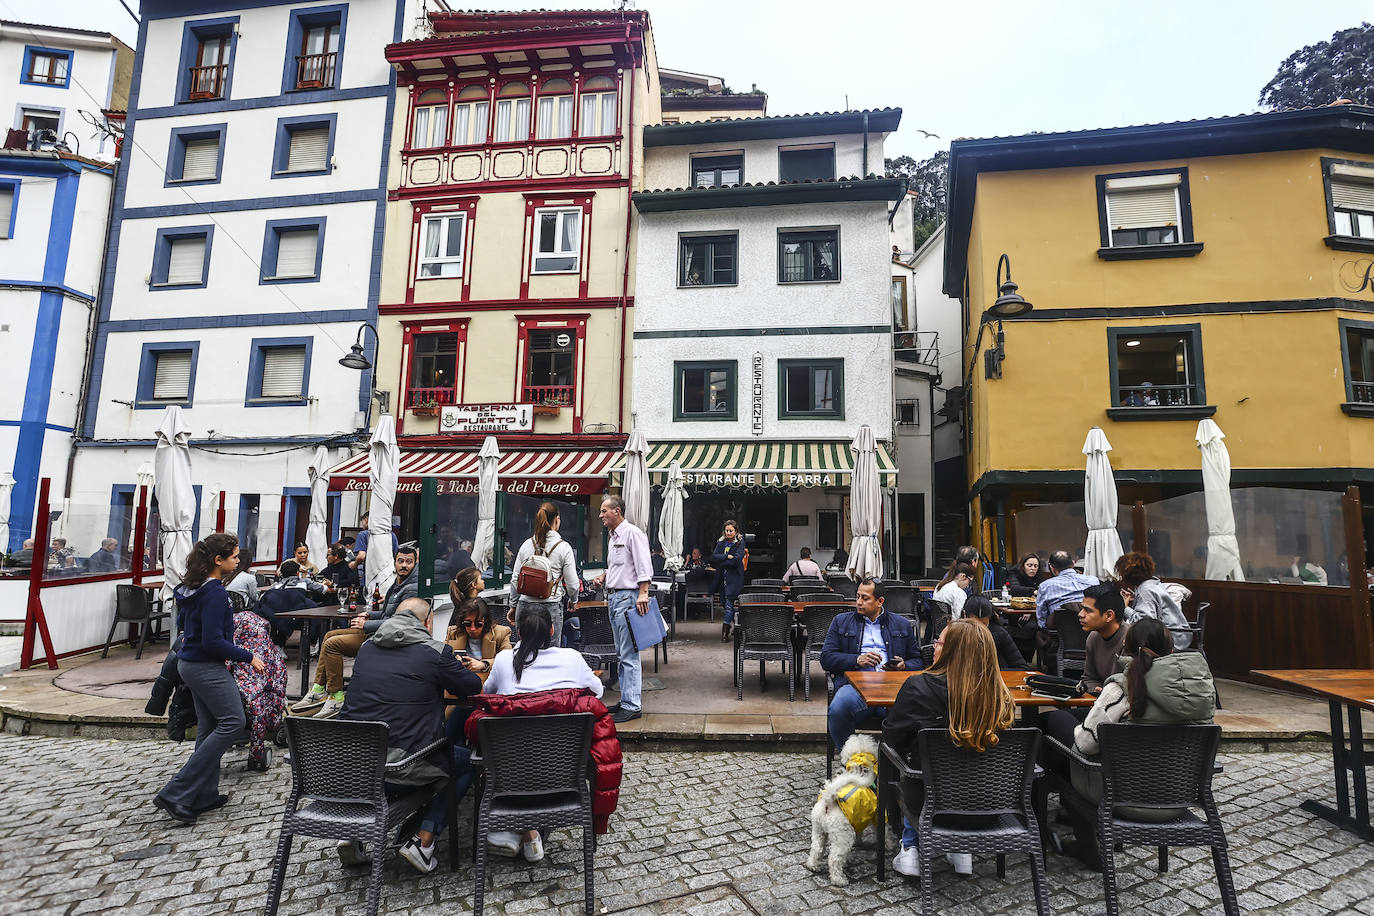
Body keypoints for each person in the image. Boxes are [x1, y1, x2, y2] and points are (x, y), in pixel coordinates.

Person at [1041, 617, 1215, 869]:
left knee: (1058, 729)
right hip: (1178, 798)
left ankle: (1083, 844)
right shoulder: (1202, 690)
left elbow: (1087, 745)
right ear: (1172, 649)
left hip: (1121, 797)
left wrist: (1077, 731)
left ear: (1126, 646)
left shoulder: (1124, 687)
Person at [465, 602, 622, 854]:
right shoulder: (571, 659)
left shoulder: (506, 661)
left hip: (509, 776)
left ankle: (521, 830)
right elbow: (597, 692)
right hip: (564, 775)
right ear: (551, 631)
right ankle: (528, 832)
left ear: (519, 633)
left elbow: (488, 695)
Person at [339, 596, 482, 874]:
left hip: (355, 766)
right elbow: (473, 686)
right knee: (464, 763)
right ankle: (424, 840)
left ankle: (355, 829)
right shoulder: (434, 652)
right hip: (402, 768)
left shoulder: (367, 648)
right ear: (427, 623)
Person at [884, 619, 1015, 877]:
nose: (934, 646)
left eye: (939, 641)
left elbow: (890, 742)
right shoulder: (1001, 697)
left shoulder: (918, 687)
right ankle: (960, 851)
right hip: (991, 808)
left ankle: (911, 848)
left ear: (952, 650)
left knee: (914, 766)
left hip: (933, 806)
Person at [153, 533, 266, 826]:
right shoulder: (215, 593)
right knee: (232, 722)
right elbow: (213, 642)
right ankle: (178, 790)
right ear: (218, 560)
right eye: (234, 556)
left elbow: (184, 627)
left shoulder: (192, 588)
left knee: (209, 726)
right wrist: (248, 656)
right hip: (206, 665)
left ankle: (204, 793)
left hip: (188, 663)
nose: (238, 560)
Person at [290, 545, 420, 719]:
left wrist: (366, 625)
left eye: (409, 562)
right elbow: (386, 613)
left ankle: (336, 696)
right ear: (395, 563)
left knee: (332, 644)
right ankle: (319, 689)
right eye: (400, 561)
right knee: (329, 635)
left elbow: (398, 622)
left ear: (415, 563)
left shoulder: (410, 588)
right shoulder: (398, 584)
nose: (404, 565)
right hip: (380, 632)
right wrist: (368, 614)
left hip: (388, 638)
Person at [821, 578, 922, 752]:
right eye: (858, 596)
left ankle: (897, 761)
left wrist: (904, 665)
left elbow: (918, 661)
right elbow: (826, 658)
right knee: (838, 709)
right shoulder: (841, 621)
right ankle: (851, 758)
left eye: (865, 598)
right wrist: (856, 660)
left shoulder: (901, 625)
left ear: (880, 601)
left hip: (892, 688)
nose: (859, 602)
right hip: (855, 687)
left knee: (916, 711)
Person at [592, 495, 652, 723]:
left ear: (617, 511)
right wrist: (605, 576)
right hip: (616, 597)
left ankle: (632, 704)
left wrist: (643, 593)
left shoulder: (633, 533)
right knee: (621, 653)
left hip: (627, 598)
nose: (600, 515)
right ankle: (627, 699)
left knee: (629, 654)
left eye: (604, 511)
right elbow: (621, 566)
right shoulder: (613, 537)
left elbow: (643, 565)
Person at [229, 601, 288, 771]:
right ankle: (257, 751)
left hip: (240, 691)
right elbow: (279, 674)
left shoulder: (233, 640)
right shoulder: (266, 647)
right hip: (261, 693)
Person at [511, 501, 579, 644]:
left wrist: (513, 605)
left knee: (524, 651)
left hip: (524, 606)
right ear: (556, 520)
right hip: (551, 605)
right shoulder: (564, 548)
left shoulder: (526, 544)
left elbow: (515, 579)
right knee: (551, 653)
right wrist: (574, 601)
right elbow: (573, 584)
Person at [445, 569, 512, 684]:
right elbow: (442, 660)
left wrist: (484, 664)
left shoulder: (501, 633)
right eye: (467, 623)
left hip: (488, 685)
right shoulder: (453, 632)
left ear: (486, 622)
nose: (472, 628)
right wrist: (454, 662)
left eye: (478, 624)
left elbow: (509, 661)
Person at [1115, 552, 1191, 651]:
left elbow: (1146, 622)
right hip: (1181, 635)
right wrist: (1137, 597)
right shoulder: (1153, 584)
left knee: (1122, 642)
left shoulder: (1145, 590)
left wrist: (1125, 608)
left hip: (1171, 640)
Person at [1078, 583, 1128, 696]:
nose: (1080, 614)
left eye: (1088, 610)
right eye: (1082, 609)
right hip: (1100, 701)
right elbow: (1089, 678)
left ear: (1109, 616)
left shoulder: (1131, 640)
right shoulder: (1093, 637)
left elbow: (1131, 685)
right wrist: (1098, 690)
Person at [1035, 549, 1099, 630]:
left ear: (1052, 568)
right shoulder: (1093, 581)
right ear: (1073, 563)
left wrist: (1045, 630)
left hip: (1059, 633)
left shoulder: (1045, 586)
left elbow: (1041, 619)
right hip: (1092, 631)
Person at [960, 596, 1029, 669]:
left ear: (989, 618)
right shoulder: (957, 634)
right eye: (974, 624)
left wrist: (996, 674)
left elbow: (1021, 666)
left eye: (983, 624)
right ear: (965, 616)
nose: (979, 629)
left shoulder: (999, 633)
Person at [712, 519, 746, 642]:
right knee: (725, 603)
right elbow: (714, 556)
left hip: (735, 577)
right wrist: (726, 556)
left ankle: (725, 632)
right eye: (727, 530)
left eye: (731, 531)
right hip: (723, 578)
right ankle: (734, 627)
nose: (729, 533)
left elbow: (737, 559)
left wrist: (723, 562)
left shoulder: (740, 543)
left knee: (730, 604)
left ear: (736, 531)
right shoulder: (721, 542)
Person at [352, 511, 399, 587]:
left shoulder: (363, 534)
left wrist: (354, 564)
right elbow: (396, 554)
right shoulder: (391, 535)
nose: (362, 525)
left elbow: (361, 556)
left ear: (367, 520)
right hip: (388, 574)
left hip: (370, 574)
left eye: (362, 522)